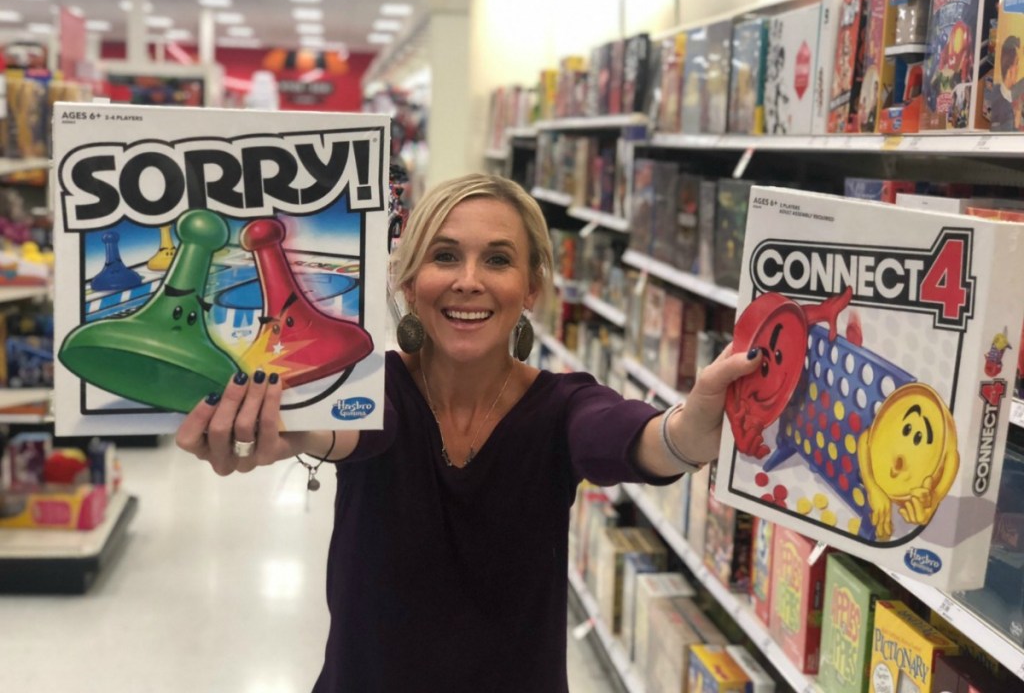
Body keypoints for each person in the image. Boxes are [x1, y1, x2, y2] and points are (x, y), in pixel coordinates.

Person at [175, 173, 761, 692]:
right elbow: (349, 429)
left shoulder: (562, 407)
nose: (469, 281)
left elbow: (628, 437)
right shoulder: (373, 391)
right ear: (409, 282)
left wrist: (690, 432)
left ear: (531, 288)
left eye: (499, 260)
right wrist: (292, 430)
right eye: (445, 256)